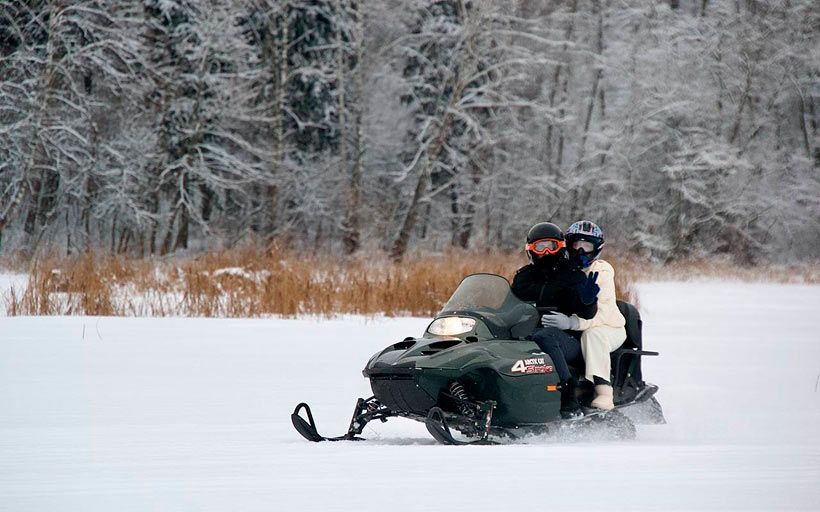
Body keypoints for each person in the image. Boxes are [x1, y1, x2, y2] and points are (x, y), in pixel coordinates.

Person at [511, 222, 600, 419]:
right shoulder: (523, 277)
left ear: (560, 247)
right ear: (530, 250)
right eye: (539, 247)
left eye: (550, 246)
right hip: (529, 334)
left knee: (546, 336)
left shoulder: (572, 276)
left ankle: (569, 396)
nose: (545, 252)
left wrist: (587, 300)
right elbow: (508, 304)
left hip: (568, 340)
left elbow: (587, 313)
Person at [541, 220, 626, 410]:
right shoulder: (563, 269)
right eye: (575, 245)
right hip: (575, 330)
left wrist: (572, 322)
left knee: (593, 335)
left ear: (596, 249)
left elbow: (604, 312)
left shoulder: (600, 271)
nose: (580, 251)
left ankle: (604, 391)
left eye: (586, 247)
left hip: (609, 328)